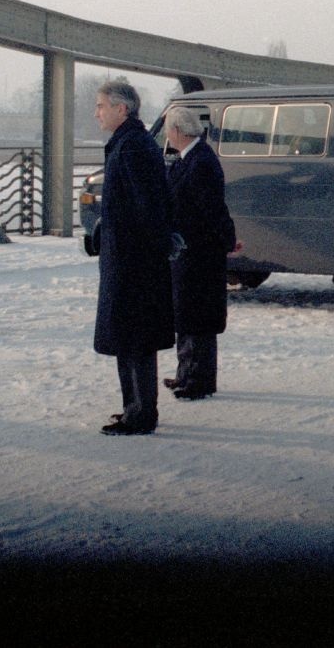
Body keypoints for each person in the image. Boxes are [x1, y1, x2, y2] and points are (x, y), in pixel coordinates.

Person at [93, 79, 176, 435]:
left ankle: (141, 413)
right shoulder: (128, 143)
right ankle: (134, 408)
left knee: (135, 337)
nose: (96, 112)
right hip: (126, 257)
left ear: (121, 108)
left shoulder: (133, 147)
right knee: (128, 336)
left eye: (101, 105)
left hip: (133, 262)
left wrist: (136, 249)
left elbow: (148, 207)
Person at [162, 107, 237, 401]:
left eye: (169, 130)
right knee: (186, 313)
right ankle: (186, 372)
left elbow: (212, 209)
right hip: (190, 251)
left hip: (200, 252)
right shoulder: (191, 159)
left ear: (178, 132)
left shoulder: (201, 162)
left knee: (198, 317)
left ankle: (199, 379)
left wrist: (225, 241)